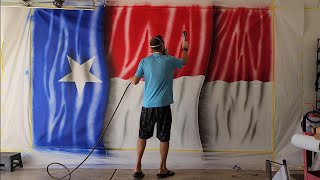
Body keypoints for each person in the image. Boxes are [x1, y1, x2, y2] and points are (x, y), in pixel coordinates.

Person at [129, 35, 189, 178]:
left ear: (151, 48)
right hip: (163, 106)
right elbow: (184, 61)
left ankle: (137, 167)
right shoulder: (169, 60)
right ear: (162, 47)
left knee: (142, 135)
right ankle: (162, 169)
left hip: (148, 106)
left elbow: (135, 81)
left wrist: (132, 78)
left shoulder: (144, 61)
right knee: (164, 137)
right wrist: (184, 48)